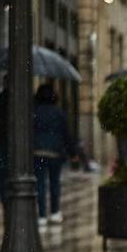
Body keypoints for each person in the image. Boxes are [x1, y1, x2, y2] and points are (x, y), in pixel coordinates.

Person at [32, 84, 75, 226]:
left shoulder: (34, 112)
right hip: (55, 153)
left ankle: (42, 215)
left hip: (38, 152)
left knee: (40, 184)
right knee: (54, 182)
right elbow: (66, 134)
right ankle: (55, 212)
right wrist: (72, 153)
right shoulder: (59, 113)